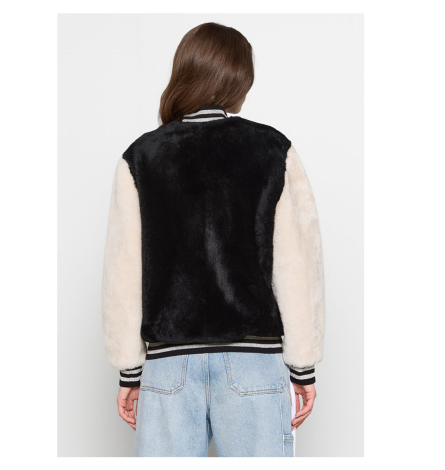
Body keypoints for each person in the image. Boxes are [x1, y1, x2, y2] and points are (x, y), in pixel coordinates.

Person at [101, 21, 325, 457]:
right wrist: (303, 366)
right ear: (238, 79)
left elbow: (122, 274)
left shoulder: (141, 156)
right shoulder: (273, 149)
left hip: (168, 367)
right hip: (253, 362)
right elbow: (298, 265)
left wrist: (130, 371)